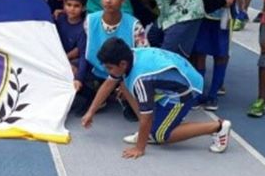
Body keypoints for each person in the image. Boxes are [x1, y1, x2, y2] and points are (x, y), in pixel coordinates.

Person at [81, 38, 233, 158]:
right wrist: (90, 112)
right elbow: (109, 84)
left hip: (184, 91)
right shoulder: (130, 55)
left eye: (109, 67)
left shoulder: (141, 79)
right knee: (122, 83)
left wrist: (139, 148)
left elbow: (146, 118)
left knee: (161, 135)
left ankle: (218, 127)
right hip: (177, 75)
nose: (109, 71)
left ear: (122, 63)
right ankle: (149, 132)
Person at [56, 0, 86, 71]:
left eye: (76, 6)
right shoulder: (59, 18)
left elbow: (80, 51)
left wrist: (63, 59)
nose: (72, 9)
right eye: (69, 5)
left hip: (72, 59)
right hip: (56, 55)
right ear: (64, 5)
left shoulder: (83, 27)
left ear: (83, 8)